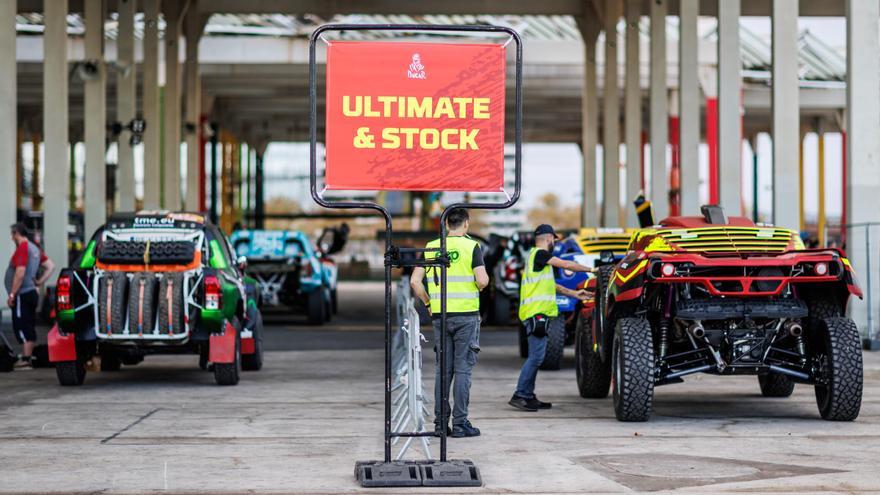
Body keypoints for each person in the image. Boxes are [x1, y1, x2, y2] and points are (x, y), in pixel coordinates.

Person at [410, 208, 489, 438]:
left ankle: (440, 424)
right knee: (463, 370)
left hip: (440, 316)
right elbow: (482, 280)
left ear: (446, 225)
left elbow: (416, 282)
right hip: (466, 316)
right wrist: (480, 285)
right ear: (466, 224)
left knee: (442, 371)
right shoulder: (472, 246)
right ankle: (461, 424)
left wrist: (428, 304)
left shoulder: (432, 246)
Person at [509, 224, 594, 412]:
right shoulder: (540, 254)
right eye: (554, 239)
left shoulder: (537, 260)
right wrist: (592, 270)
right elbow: (566, 264)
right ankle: (521, 394)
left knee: (536, 356)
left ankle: (528, 396)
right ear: (548, 238)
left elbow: (552, 286)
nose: (554, 242)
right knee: (536, 357)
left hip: (537, 313)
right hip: (535, 314)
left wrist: (575, 294)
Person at [5, 223, 55, 370]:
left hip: (22, 293)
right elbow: (50, 266)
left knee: (21, 325)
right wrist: (39, 282)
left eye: (12, 234)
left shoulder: (23, 248)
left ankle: (26, 359)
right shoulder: (35, 249)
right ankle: (28, 357)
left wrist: (12, 294)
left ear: (16, 233)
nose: (11, 237)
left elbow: (20, 273)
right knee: (29, 324)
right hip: (31, 292)